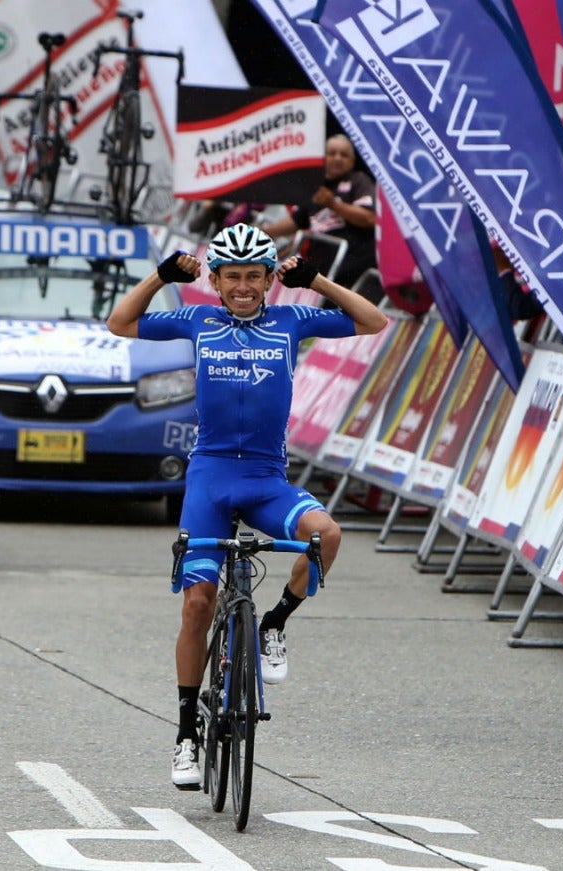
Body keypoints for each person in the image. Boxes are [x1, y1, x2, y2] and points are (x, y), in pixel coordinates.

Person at [106, 224, 388, 789]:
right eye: (231, 277)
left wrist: (317, 282)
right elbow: (119, 322)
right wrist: (162, 275)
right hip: (210, 477)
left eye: (252, 277)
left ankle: (274, 624)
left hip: (265, 480)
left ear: (268, 281)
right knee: (197, 605)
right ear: (214, 280)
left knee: (326, 535)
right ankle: (187, 732)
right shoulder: (196, 319)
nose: (241, 287)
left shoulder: (293, 319)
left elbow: (373, 320)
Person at [260, 133, 378, 292]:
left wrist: (334, 204)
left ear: (352, 161)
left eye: (344, 155)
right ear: (324, 157)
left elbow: (369, 218)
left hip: (351, 275)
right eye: (332, 153)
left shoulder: (359, 181)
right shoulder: (317, 187)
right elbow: (295, 222)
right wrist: (260, 232)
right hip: (320, 274)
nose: (338, 158)